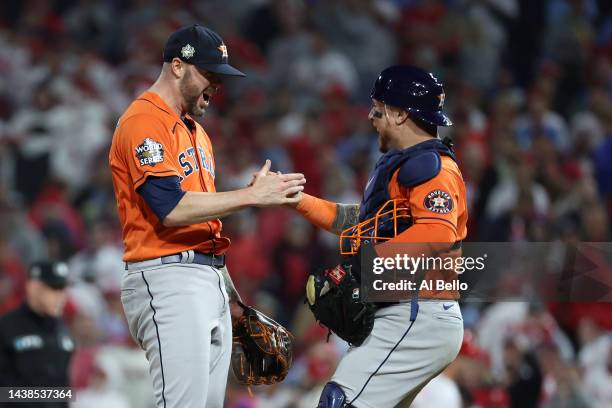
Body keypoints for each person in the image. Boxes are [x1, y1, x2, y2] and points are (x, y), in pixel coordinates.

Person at [108, 24, 305, 408]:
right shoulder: (143, 121)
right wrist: (252, 196)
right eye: (210, 75)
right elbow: (170, 208)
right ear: (178, 67)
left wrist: (227, 291)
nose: (217, 86)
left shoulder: (197, 133)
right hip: (166, 278)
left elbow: (203, 221)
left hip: (206, 277)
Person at [292, 65, 467, 407]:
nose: (371, 116)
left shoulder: (432, 166)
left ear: (401, 113)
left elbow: (438, 232)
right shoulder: (405, 166)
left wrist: (365, 272)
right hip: (408, 313)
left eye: (379, 107)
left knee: (339, 400)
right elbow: (360, 224)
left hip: (417, 312)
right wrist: (297, 200)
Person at [0, 260, 74, 408]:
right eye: (54, 288)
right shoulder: (6, 326)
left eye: (63, 288)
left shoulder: (63, 330)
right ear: (33, 288)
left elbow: (63, 390)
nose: (61, 295)